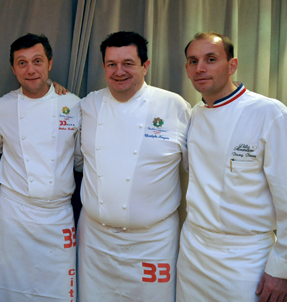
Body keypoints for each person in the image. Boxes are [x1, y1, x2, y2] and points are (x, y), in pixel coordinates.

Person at [78, 31, 191, 301]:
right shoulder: (87, 105)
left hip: (153, 243)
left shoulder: (173, 105)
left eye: (128, 63)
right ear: (104, 67)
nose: (119, 72)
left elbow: (196, 168)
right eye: (111, 64)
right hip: (96, 240)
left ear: (145, 65)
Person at [177, 32, 287, 302]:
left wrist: (281, 269)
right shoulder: (193, 115)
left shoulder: (269, 113)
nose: (200, 68)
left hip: (247, 259)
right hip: (194, 253)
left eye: (211, 59)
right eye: (193, 61)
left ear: (232, 65)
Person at [0, 33, 82, 301]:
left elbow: (79, 160)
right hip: (14, 215)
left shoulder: (72, 104)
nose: (30, 69)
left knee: (59, 290)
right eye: (22, 63)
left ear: (49, 63)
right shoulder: (2, 107)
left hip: (57, 216)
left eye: (37, 61)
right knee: (9, 289)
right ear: (14, 68)